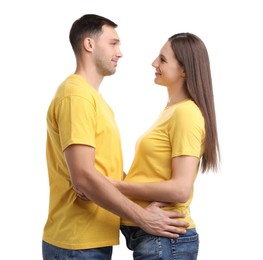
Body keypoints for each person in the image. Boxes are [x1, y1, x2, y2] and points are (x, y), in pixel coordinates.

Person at [42, 14, 189, 260]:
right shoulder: (76, 96)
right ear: (89, 45)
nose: (119, 52)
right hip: (76, 244)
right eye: (113, 43)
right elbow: (84, 179)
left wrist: (143, 205)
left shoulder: (94, 100)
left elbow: (105, 175)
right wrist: (142, 217)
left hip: (89, 241)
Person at [108, 33, 220, 259]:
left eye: (163, 59)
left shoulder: (186, 114)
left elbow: (180, 189)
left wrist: (119, 186)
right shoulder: (171, 111)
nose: (154, 63)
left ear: (185, 70)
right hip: (155, 236)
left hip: (165, 238)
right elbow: (152, 175)